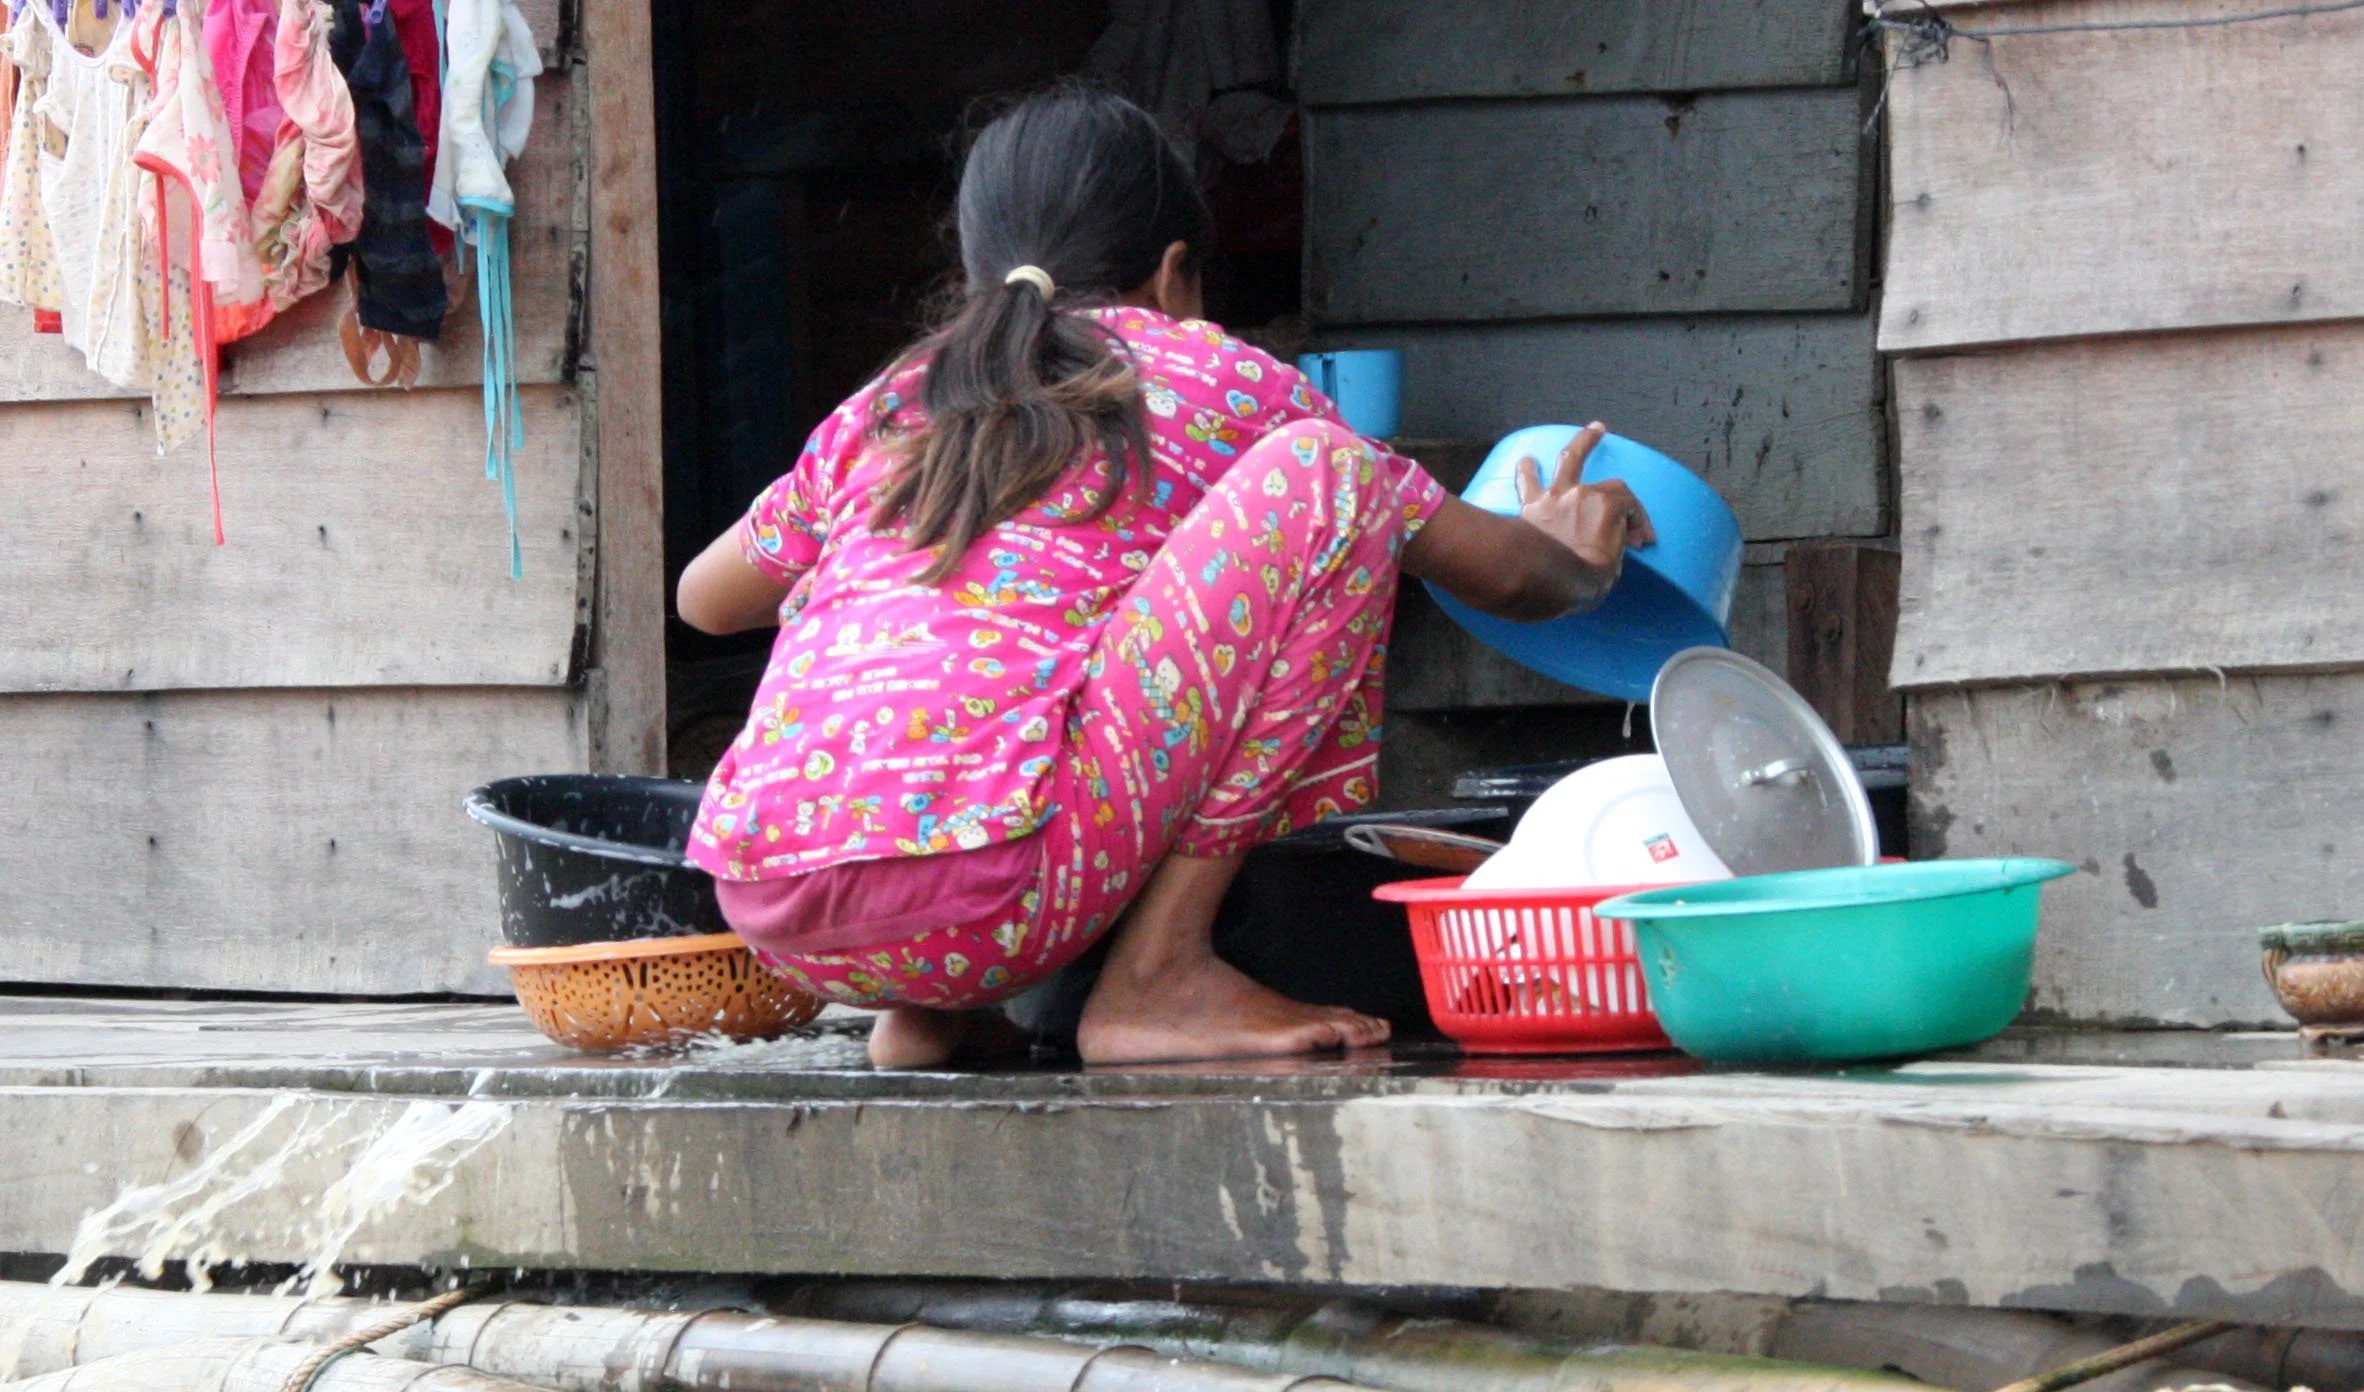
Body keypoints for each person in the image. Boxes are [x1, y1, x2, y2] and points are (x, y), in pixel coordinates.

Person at [676, 86, 1653, 1069]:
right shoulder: (1213, 374)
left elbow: (705, 601)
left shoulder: (892, 405)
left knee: (951, 638)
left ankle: (931, 1013)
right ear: (1177, 273)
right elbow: (1507, 578)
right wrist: (1572, 545)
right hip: (993, 895)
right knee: (1332, 478)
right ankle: (1160, 975)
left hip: (776, 907)